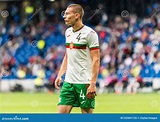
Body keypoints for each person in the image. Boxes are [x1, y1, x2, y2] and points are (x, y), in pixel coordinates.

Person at [54, 4, 100, 113]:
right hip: (69, 82)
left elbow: (96, 59)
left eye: (67, 14)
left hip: (84, 83)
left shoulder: (90, 34)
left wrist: (93, 83)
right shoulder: (68, 32)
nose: (64, 16)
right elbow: (67, 54)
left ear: (76, 15)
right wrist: (60, 74)